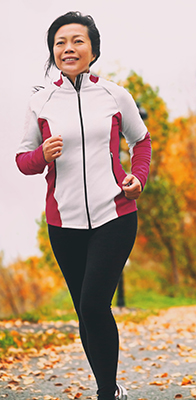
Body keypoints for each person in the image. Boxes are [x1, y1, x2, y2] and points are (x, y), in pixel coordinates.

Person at [16, 11, 151, 400]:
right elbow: (23, 160)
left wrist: (137, 179)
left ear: (93, 49)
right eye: (60, 42)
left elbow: (140, 142)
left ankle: (107, 393)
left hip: (115, 215)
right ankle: (109, 387)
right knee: (85, 311)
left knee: (94, 303)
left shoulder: (114, 94)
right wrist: (42, 155)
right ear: (53, 52)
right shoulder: (41, 101)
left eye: (77, 40)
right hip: (64, 223)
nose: (68, 48)